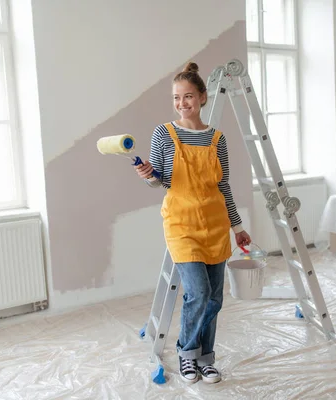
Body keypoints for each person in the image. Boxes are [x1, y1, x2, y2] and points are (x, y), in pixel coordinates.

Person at [134, 61, 252, 384]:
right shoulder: (164, 134)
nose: (182, 104)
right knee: (198, 292)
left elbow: (223, 186)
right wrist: (148, 175)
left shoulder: (217, 139)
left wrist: (238, 227)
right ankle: (187, 353)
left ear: (202, 97)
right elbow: (159, 179)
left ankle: (206, 357)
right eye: (176, 98)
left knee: (215, 297)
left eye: (188, 97)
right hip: (182, 224)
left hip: (215, 224)